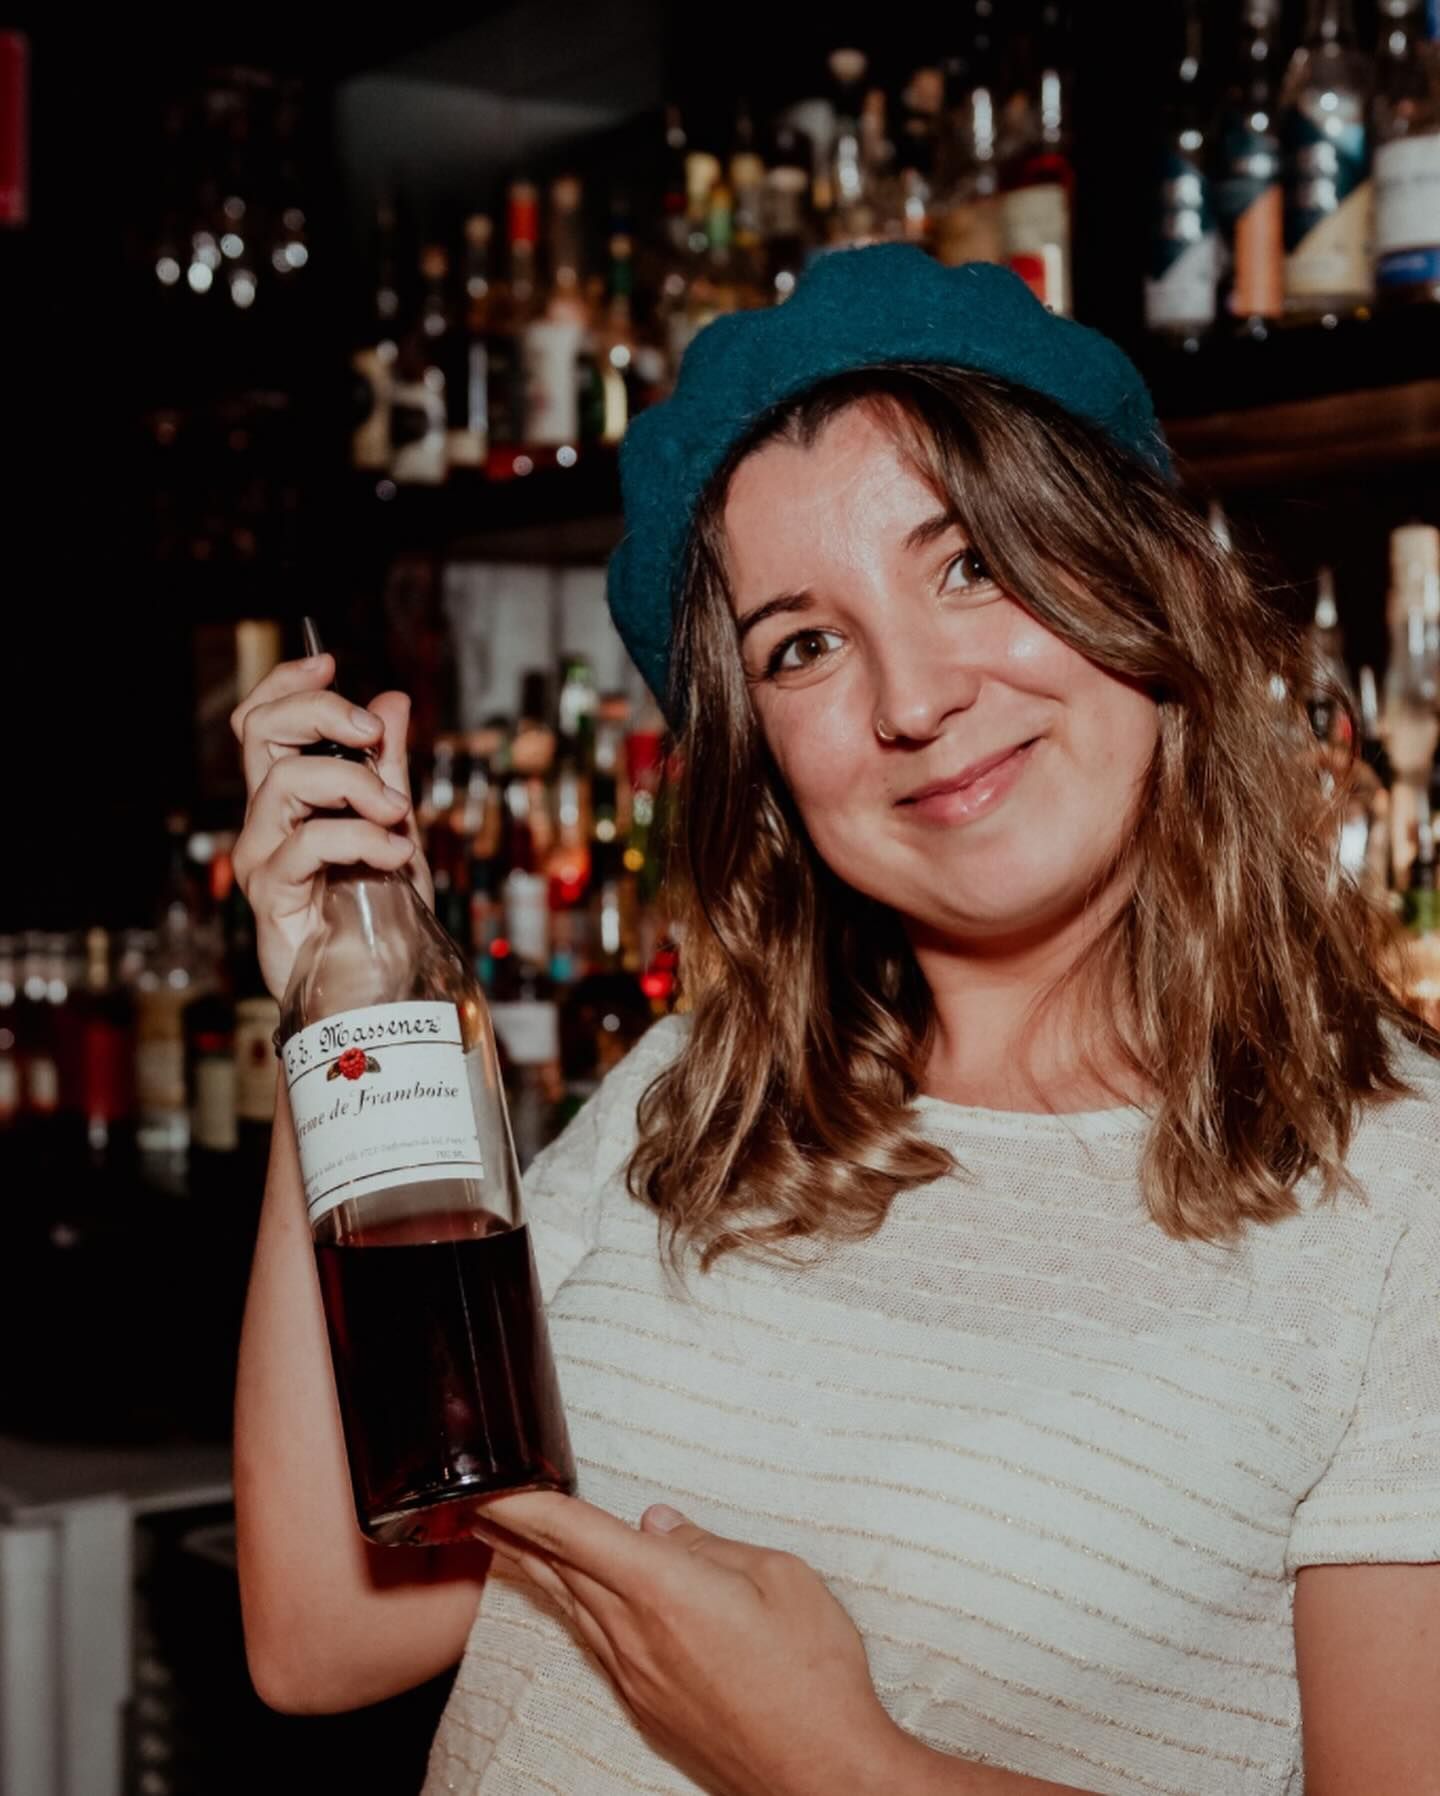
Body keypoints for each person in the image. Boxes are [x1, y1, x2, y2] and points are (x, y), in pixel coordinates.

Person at [230, 246, 1440, 1796]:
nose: (912, 696)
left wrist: (830, 1760)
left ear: (1151, 585)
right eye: (803, 643)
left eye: (973, 565)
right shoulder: (703, 1095)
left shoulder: (1396, 1195)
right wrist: (347, 995)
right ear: (764, 762)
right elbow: (323, 1631)